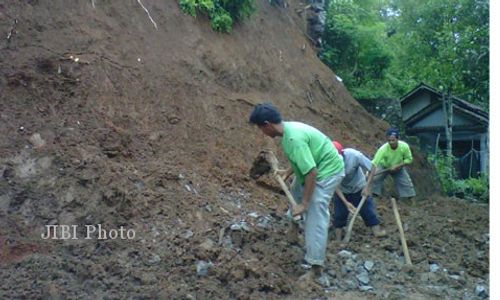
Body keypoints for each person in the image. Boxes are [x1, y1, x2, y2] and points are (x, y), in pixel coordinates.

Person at [249, 103, 345, 286]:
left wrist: (305, 203)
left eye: (260, 128)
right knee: (295, 189)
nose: (261, 132)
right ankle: (293, 227)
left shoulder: (294, 139)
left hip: (328, 171)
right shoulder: (287, 133)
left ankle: (316, 268)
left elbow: (311, 173)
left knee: (315, 212)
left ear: (267, 124)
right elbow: (302, 159)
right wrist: (288, 171)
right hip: (314, 167)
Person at [331, 141, 386, 241]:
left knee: (368, 212)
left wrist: (367, 187)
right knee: (339, 215)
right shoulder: (328, 164)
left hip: (359, 188)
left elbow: (372, 167)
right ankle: (338, 240)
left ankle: (377, 232)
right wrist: (345, 202)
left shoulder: (354, 155)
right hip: (342, 191)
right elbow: (335, 185)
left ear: (342, 153)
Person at [365, 128, 416, 200]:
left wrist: (397, 166)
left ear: (397, 139)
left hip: (398, 167)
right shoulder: (383, 149)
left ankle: (408, 199)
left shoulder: (404, 147)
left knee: (406, 184)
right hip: (384, 166)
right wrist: (371, 173)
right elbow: (375, 163)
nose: (391, 142)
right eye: (389, 140)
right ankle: (374, 196)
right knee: (375, 179)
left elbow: (409, 160)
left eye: (393, 140)